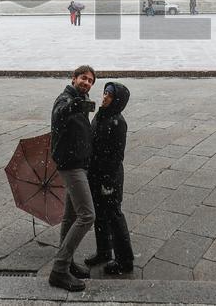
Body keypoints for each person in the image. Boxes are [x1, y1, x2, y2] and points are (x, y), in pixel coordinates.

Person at [49, 65, 97, 292]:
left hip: (79, 163)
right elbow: (59, 113)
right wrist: (73, 106)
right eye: (83, 78)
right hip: (71, 166)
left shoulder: (81, 99)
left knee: (70, 217)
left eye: (90, 81)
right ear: (74, 78)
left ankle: (66, 262)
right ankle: (59, 270)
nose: (87, 82)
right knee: (87, 215)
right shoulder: (65, 99)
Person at [85, 82, 135, 275]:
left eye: (110, 95)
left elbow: (117, 156)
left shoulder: (118, 122)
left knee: (114, 216)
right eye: (105, 93)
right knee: (99, 214)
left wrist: (108, 182)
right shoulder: (100, 114)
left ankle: (125, 260)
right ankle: (104, 251)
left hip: (109, 177)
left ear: (118, 101)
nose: (105, 97)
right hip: (95, 173)